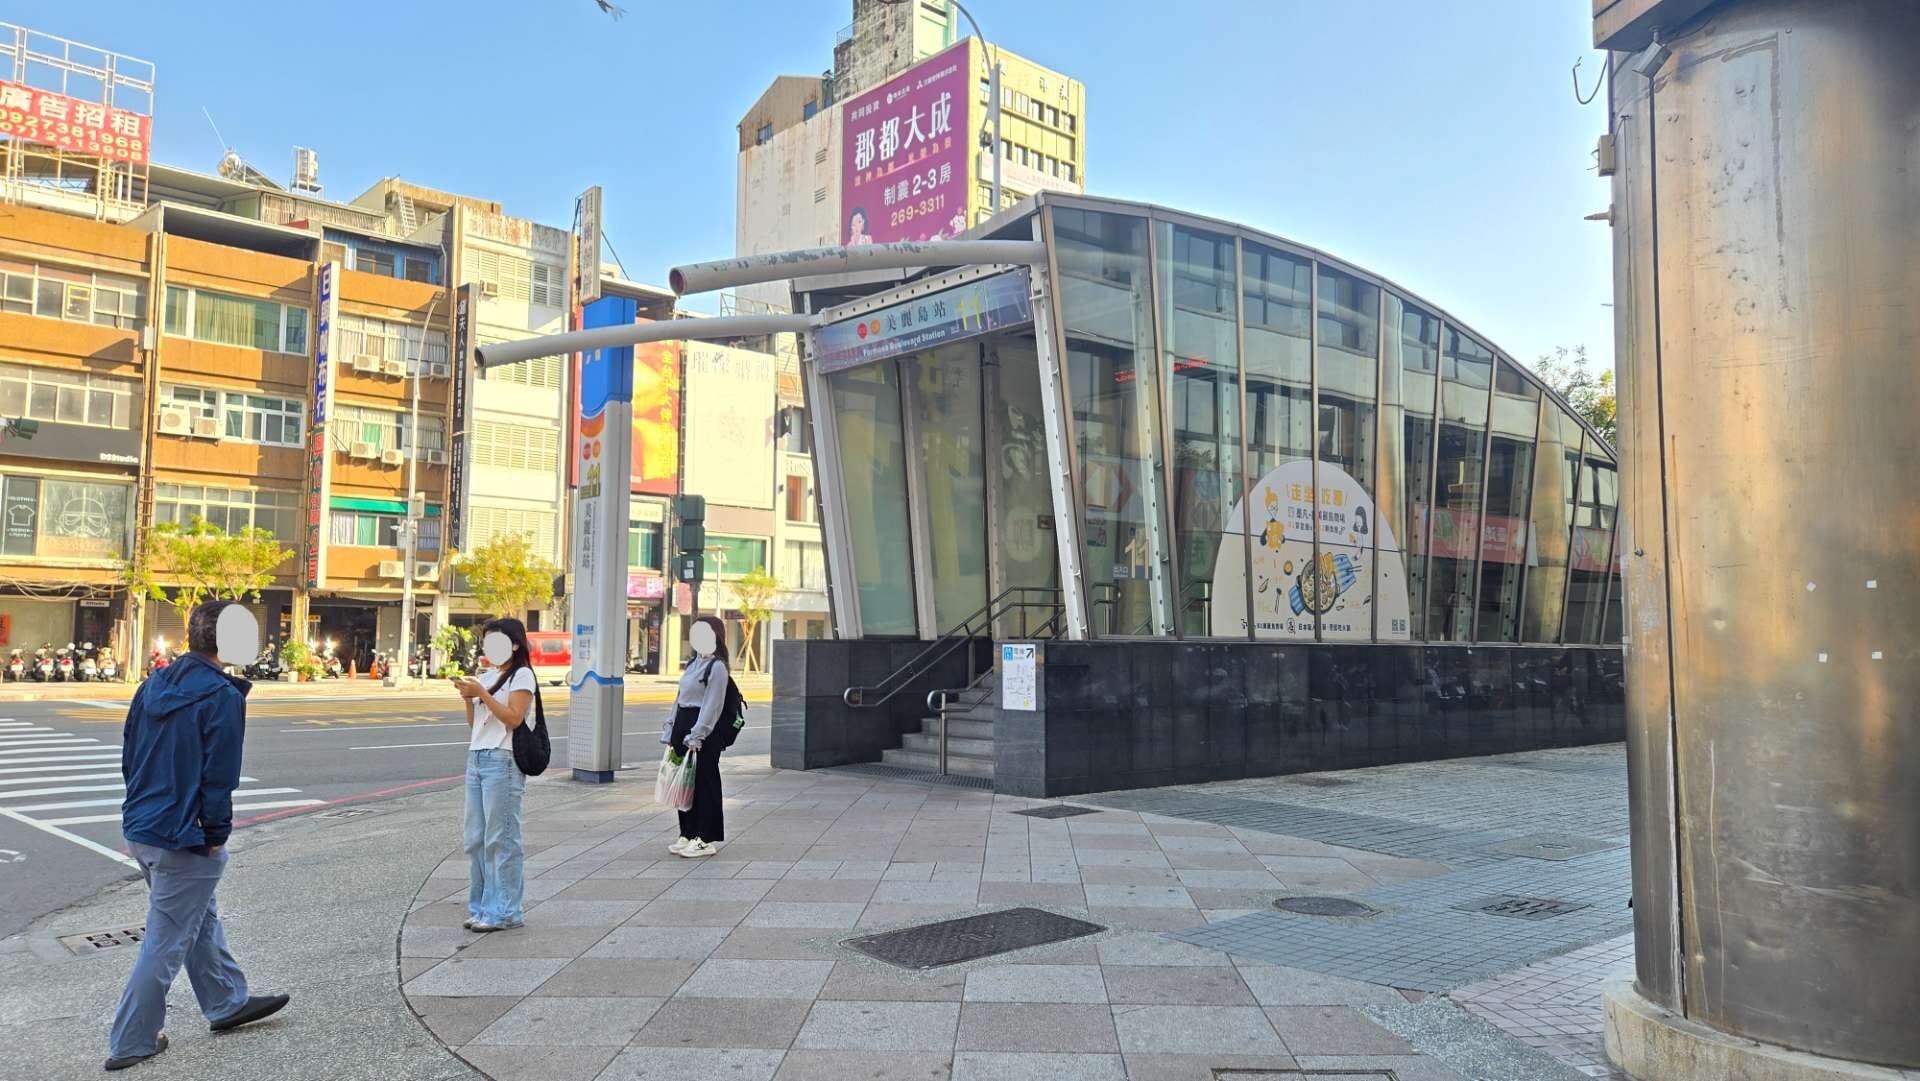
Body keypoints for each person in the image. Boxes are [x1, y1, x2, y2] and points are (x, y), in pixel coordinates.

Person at [107, 600, 290, 1072]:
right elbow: (219, 776)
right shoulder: (221, 696)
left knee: (198, 918)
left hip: (144, 825)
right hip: (184, 835)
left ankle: (226, 1000)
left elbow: (130, 755)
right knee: (167, 940)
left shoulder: (154, 684)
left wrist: (139, 810)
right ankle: (132, 1040)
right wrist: (215, 832)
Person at [453, 617, 537, 932]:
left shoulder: (522, 675)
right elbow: (476, 724)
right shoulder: (487, 676)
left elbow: (514, 718)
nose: (490, 648)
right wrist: (469, 698)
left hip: (503, 760)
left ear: (514, 644)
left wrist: (482, 694)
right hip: (477, 757)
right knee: (475, 839)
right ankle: (481, 908)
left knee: (501, 839)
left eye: (496, 642)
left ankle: (505, 911)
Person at [666, 615, 731, 858]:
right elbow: (679, 698)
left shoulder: (717, 667)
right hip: (683, 726)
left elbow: (712, 706)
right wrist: (670, 728)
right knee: (683, 783)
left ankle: (705, 838)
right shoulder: (692, 663)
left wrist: (698, 735)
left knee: (705, 784)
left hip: (703, 732)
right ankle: (688, 832)